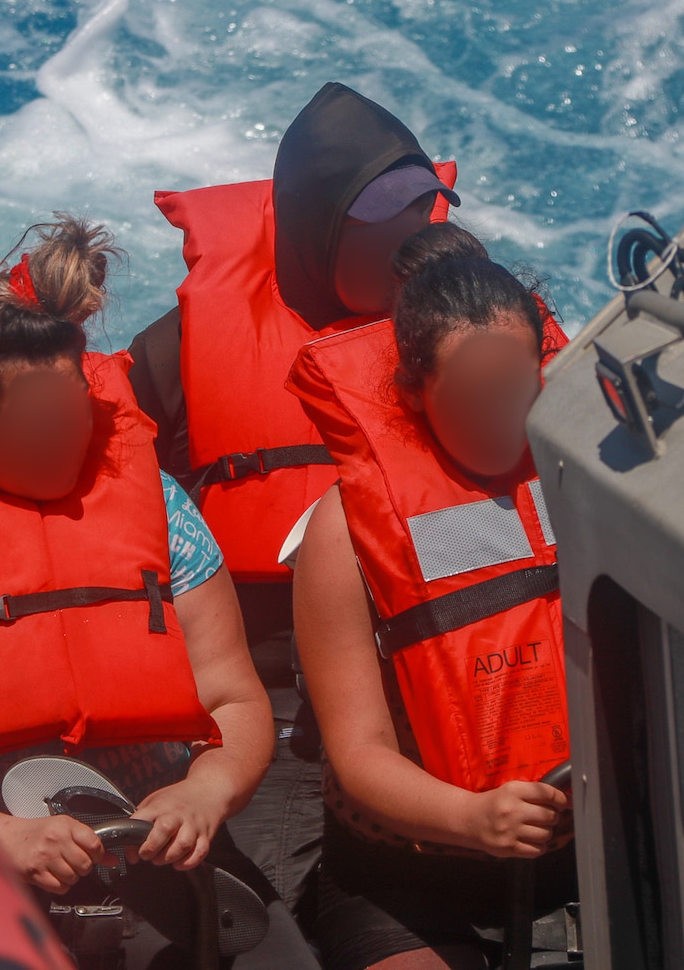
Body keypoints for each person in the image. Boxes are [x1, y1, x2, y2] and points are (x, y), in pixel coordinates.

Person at [0, 217, 314, 967]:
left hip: (163, 842)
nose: (68, 439)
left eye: (76, 413)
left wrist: (207, 793)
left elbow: (234, 699)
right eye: (38, 424)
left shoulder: (154, 506)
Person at [126, 81, 461, 910]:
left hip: (437, 656)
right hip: (273, 687)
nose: (404, 245)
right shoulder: (178, 354)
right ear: (317, 228)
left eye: (417, 221)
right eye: (378, 230)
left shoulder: (457, 323)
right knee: (269, 910)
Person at [285, 253, 573, 970]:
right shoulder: (340, 532)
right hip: (406, 877)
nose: (501, 416)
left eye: (516, 387)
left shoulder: (585, 482)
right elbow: (358, 756)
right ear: (413, 393)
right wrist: (475, 819)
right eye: (473, 395)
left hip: (582, 852)